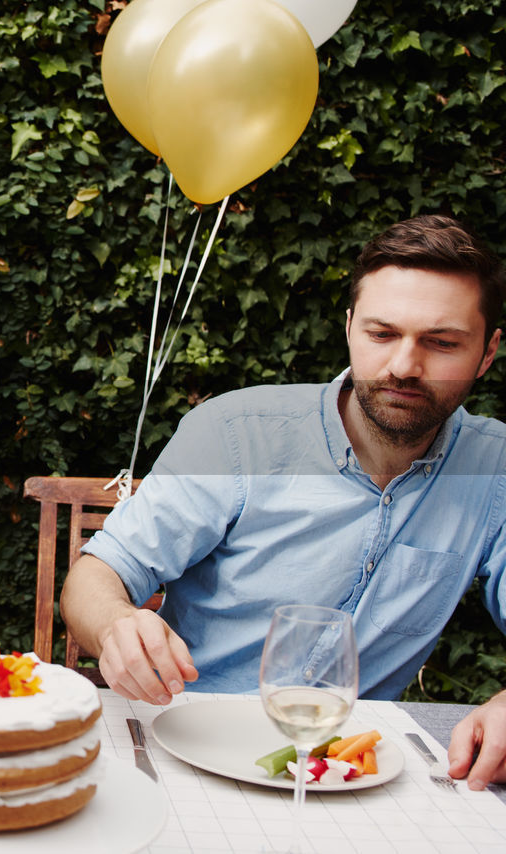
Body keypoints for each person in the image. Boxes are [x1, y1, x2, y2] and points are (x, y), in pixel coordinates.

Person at [61, 214, 506, 790]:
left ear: (488, 352)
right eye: (381, 334)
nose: (404, 366)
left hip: (351, 775)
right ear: (349, 328)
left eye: (442, 343)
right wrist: (117, 623)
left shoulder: (493, 469)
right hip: (184, 745)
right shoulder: (236, 432)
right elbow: (95, 577)